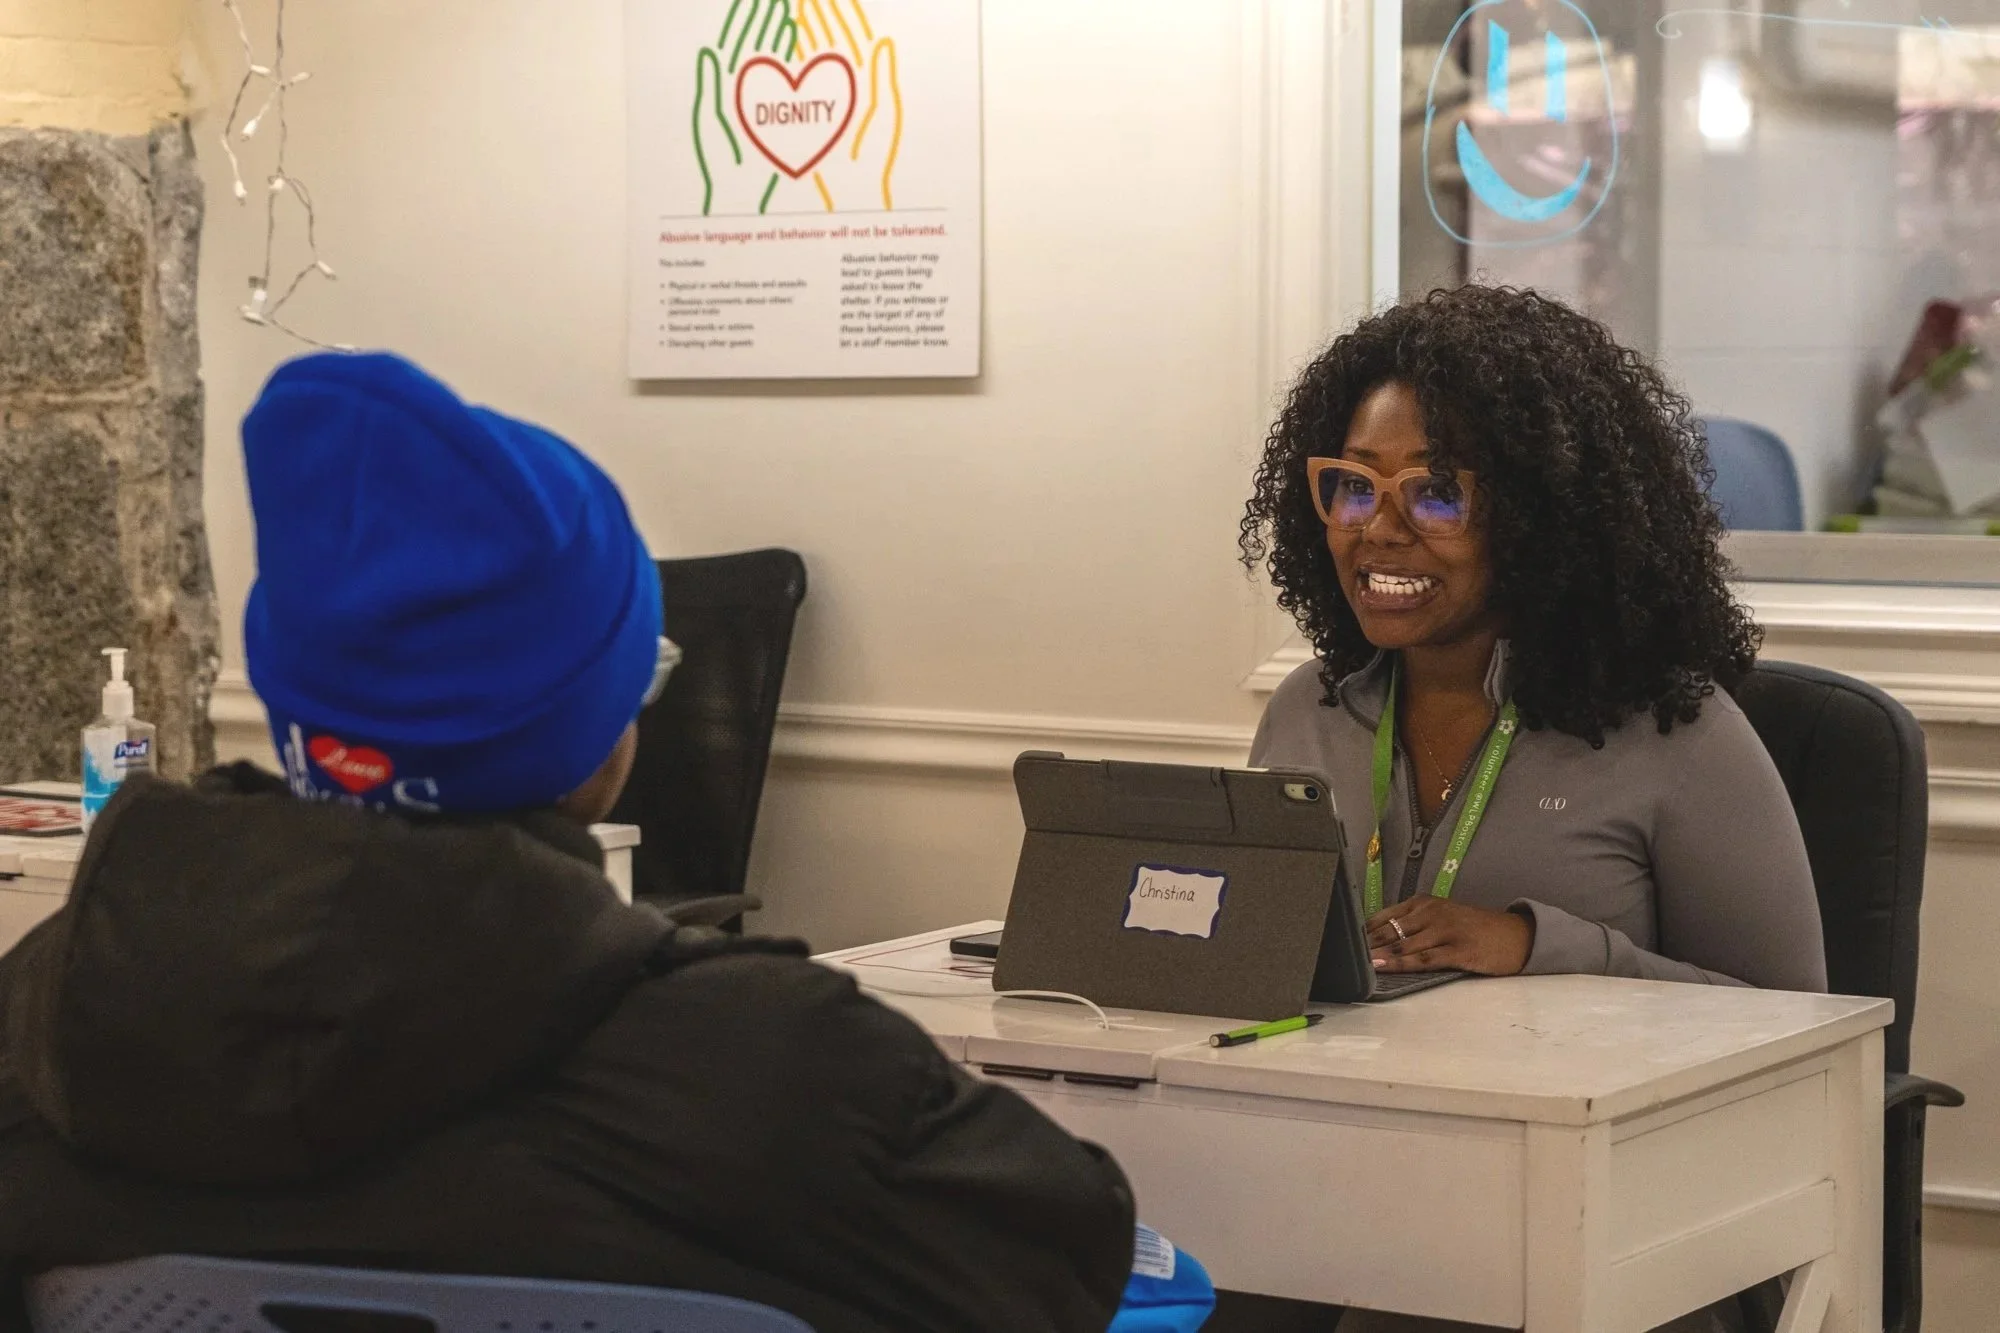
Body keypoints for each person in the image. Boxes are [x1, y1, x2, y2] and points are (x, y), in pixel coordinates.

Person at [0, 353, 1142, 1333]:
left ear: (296, 710)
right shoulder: (781, 1066)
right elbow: (1069, 1257)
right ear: (599, 735)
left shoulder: (47, 1007)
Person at [1222, 286, 1827, 1333]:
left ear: (1545, 515)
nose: (1379, 531)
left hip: (1626, 1223)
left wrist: (1539, 944)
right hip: (1335, 1186)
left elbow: (1799, 1042)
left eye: (1437, 493)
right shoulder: (1307, 714)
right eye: (1349, 489)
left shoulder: (1674, 733)